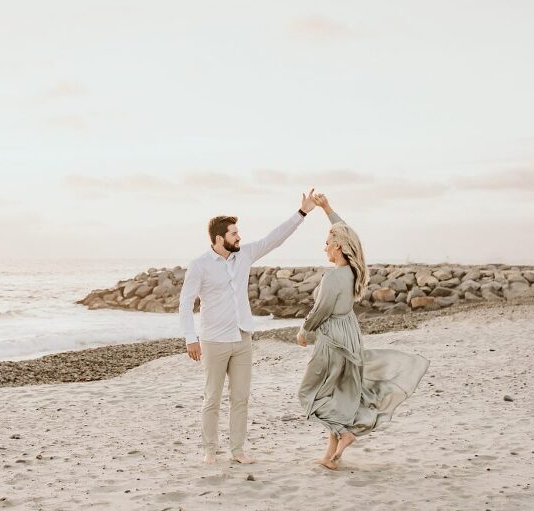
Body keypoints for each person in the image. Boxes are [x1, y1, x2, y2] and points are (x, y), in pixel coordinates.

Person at [180, 189, 317, 465]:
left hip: (242, 337)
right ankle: (210, 450)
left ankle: (238, 450)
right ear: (219, 238)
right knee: (212, 399)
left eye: (238, 232)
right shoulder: (199, 265)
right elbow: (185, 303)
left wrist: (301, 213)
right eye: (233, 233)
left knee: (240, 398)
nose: (238, 237)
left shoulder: (245, 255)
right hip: (213, 340)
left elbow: (274, 238)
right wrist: (189, 338)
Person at [297, 193, 429, 470]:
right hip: (350, 333)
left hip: (333, 337)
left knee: (313, 392)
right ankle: (331, 455)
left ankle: (346, 434)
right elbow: (349, 234)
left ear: (338, 247)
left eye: (327, 244)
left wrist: (303, 330)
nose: (324, 249)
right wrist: (327, 209)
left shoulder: (333, 276)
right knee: (341, 392)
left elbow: (320, 311)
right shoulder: (356, 271)